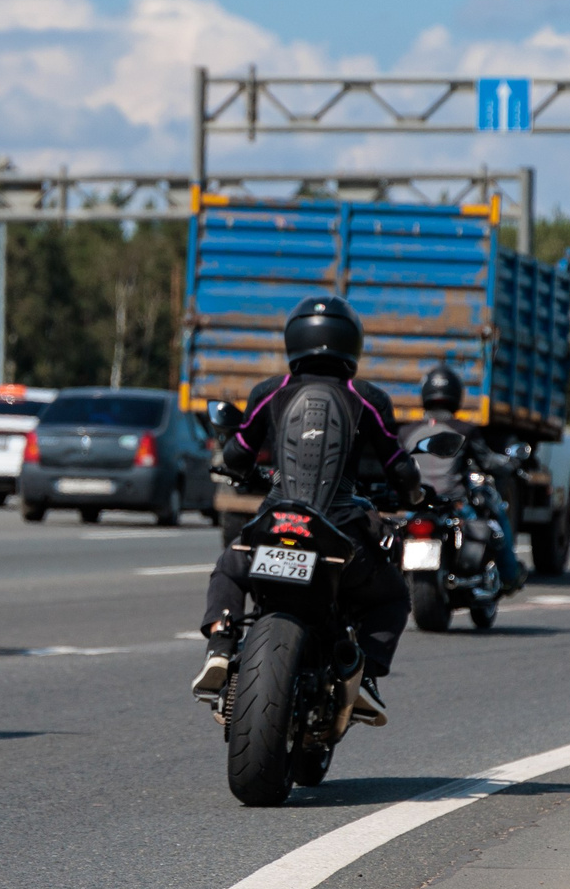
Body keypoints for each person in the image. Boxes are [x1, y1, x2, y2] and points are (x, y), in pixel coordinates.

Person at [194, 295, 420, 725]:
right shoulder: (366, 397)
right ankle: (365, 673)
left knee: (229, 566)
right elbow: (400, 468)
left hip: (277, 522)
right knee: (393, 596)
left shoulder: (270, 392)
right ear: (351, 342)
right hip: (340, 535)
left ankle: (221, 645)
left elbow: (238, 455)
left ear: (294, 338)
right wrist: (411, 496)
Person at [399, 364, 523, 594]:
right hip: (454, 503)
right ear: (455, 395)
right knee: (496, 521)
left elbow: (397, 467)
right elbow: (488, 462)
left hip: (415, 505)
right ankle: (509, 576)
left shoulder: (406, 432)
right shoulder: (465, 429)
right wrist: (511, 464)